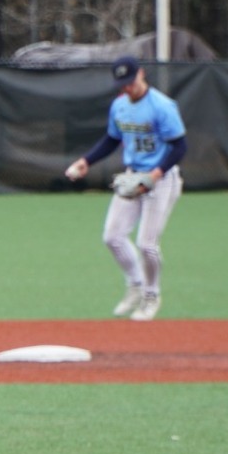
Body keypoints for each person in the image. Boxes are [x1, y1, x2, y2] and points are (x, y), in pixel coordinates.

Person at [62, 54, 187, 321]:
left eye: (131, 81)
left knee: (147, 244)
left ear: (141, 74)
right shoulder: (119, 106)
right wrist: (86, 161)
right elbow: (111, 139)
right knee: (113, 237)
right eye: (123, 84)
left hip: (162, 178)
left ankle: (151, 295)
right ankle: (136, 284)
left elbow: (180, 146)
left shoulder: (162, 106)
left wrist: (155, 175)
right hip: (133, 176)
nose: (127, 87)